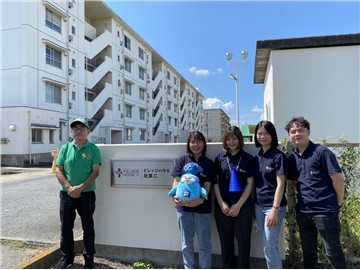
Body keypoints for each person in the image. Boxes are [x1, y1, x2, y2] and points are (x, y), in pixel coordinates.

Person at [285, 116, 346, 269]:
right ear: (289, 136)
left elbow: (338, 179)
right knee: (308, 253)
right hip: (304, 211)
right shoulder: (292, 158)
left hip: (325, 211)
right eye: (293, 131)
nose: (297, 134)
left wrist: (338, 203)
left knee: (333, 252)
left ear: (308, 132)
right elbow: (292, 182)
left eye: (300, 130)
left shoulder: (322, 153)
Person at [55, 118, 102, 269]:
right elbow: (58, 170)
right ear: (71, 132)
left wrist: (80, 188)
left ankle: (89, 259)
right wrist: (70, 188)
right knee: (65, 227)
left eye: (82, 127)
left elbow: (95, 172)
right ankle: (67, 258)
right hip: (66, 194)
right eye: (75, 128)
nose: (79, 130)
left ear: (88, 131)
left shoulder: (93, 149)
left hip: (87, 193)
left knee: (88, 226)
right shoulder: (65, 148)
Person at [171, 131, 216, 269]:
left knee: (204, 244)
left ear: (204, 143)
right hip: (183, 209)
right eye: (192, 142)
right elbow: (176, 181)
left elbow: (208, 184)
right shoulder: (182, 160)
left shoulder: (209, 163)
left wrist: (201, 199)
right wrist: (175, 197)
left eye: (199, 141)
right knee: (186, 243)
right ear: (188, 144)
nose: (195, 145)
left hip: (202, 209)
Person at [213, 126, 254, 269]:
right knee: (225, 244)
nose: (231, 142)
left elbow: (250, 184)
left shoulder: (248, 158)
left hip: (243, 208)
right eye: (228, 139)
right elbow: (215, 183)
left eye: (234, 138)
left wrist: (238, 205)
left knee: (244, 244)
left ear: (239, 139)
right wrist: (221, 202)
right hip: (222, 208)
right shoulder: (219, 158)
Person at [253, 121, 287, 269]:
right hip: (258, 206)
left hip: (272, 208)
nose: (262, 136)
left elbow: (281, 184)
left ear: (272, 135)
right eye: (259, 133)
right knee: (269, 245)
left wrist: (275, 209)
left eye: (266, 133)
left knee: (269, 246)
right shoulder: (258, 156)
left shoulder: (278, 156)